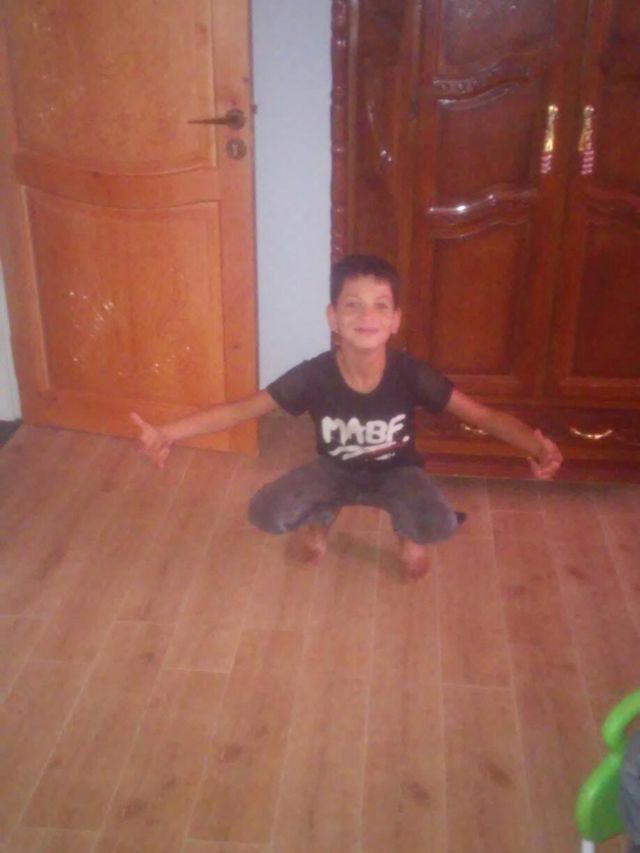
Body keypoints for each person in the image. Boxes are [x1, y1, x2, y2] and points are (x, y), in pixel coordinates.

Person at [131, 254, 562, 580]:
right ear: (333, 318)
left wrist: (536, 446)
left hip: (398, 473)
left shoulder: (413, 374)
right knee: (267, 512)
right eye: (352, 305)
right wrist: (168, 433)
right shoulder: (313, 375)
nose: (366, 316)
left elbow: (483, 416)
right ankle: (321, 519)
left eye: (380, 306)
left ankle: (406, 530)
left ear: (395, 320)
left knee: (440, 524)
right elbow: (242, 408)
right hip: (334, 470)